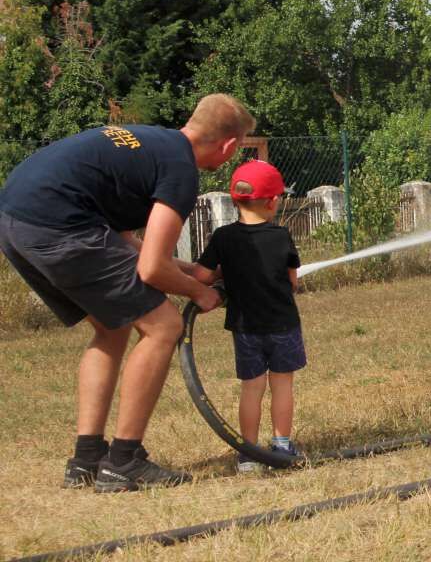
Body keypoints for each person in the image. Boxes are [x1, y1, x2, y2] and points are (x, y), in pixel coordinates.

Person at [0, 95, 255, 490]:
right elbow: (151, 269)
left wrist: (189, 272)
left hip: (16, 220)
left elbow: (122, 241)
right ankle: (124, 461)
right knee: (163, 327)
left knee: (111, 325)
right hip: (59, 225)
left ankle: (87, 459)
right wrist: (200, 294)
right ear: (229, 145)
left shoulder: (153, 143)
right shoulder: (180, 170)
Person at [192, 159, 303, 473]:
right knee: (282, 385)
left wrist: (222, 278)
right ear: (272, 202)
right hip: (284, 326)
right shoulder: (281, 236)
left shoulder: (223, 237)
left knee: (251, 388)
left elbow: (200, 274)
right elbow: (292, 281)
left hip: (245, 330)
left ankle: (249, 454)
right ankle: (282, 446)